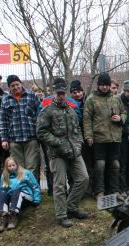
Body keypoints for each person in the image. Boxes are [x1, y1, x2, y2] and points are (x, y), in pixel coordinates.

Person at [37, 78, 90, 228]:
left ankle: (71, 207)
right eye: (58, 93)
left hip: (74, 151)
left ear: (65, 93)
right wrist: (58, 143)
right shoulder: (47, 111)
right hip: (57, 153)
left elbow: (77, 129)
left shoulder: (71, 110)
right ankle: (61, 215)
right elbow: (41, 132)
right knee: (59, 185)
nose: (61, 96)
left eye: (62, 93)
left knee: (83, 178)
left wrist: (78, 143)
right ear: (54, 93)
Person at [83, 72, 126, 201]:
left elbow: (124, 112)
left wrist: (120, 118)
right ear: (98, 85)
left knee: (115, 165)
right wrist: (88, 136)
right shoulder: (91, 99)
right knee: (100, 165)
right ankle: (99, 191)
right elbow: (87, 119)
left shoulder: (116, 98)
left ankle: (115, 191)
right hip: (99, 138)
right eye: (102, 85)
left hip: (115, 138)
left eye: (106, 85)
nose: (104, 87)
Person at [0, 75, 42, 180]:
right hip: (14, 140)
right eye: (12, 86)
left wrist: (40, 133)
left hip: (31, 138)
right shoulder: (5, 100)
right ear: (9, 87)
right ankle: (22, 189)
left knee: (33, 167)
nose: (15, 87)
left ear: (21, 84)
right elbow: (3, 121)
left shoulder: (32, 96)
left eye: (17, 84)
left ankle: (33, 188)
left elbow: (40, 115)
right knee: (18, 169)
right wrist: (4, 139)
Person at [0, 156, 42, 232]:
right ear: (6, 167)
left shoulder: (26, 173)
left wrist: (37, 200)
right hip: (12, 198)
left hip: (25, 197)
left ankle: (13, 216)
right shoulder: (4, 176)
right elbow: (2, 189)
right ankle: (3, 216)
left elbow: (35, 186)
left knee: (17, 191)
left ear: (17, 164)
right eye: (9, 166)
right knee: (1, 194)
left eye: (13, 165)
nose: (12, 167)